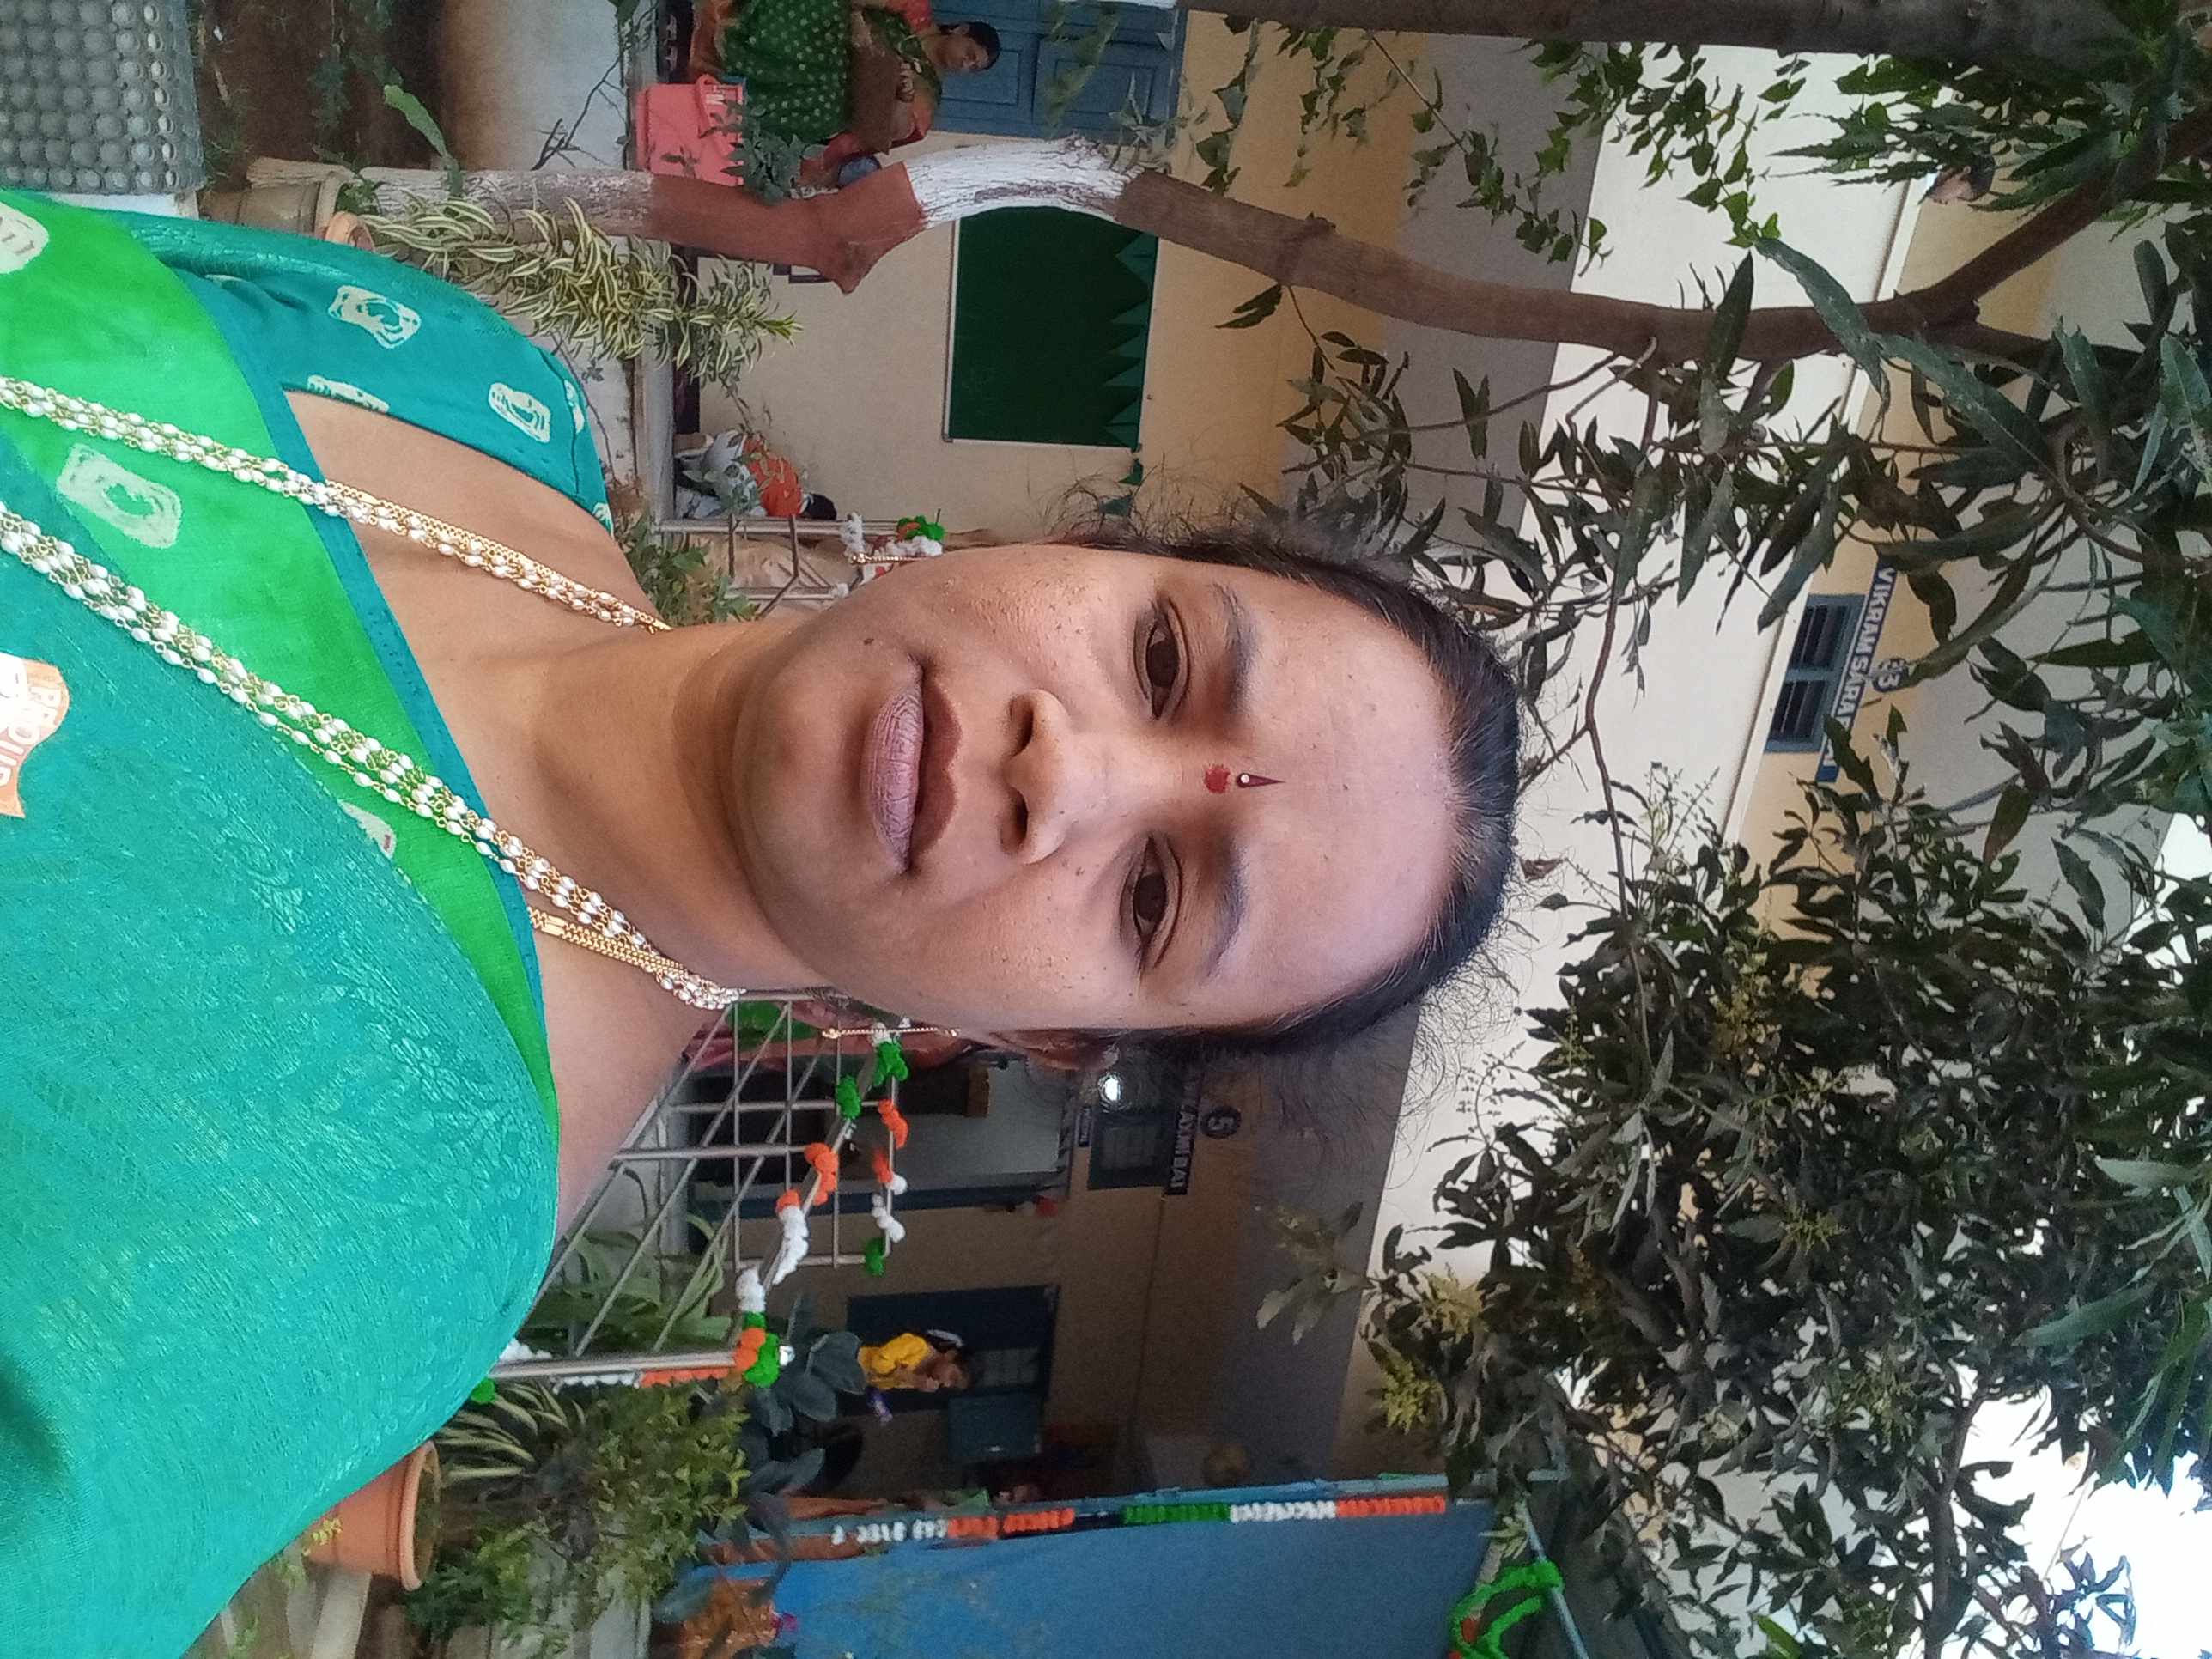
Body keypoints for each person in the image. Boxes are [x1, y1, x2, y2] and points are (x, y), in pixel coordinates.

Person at [0, 186, 1517, 1655]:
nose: (1064, 773)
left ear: (1044, 1039)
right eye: (1163, 657)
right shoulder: (465, 383)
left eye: (1152, 896)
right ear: (1076, 548)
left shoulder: (362, 1223)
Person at [690, 0, 1000, 185]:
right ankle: (710, 29)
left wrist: (904, 96)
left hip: (835, 95)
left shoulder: (928, 94)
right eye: (970, 54)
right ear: (961, 30)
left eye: (973, 68)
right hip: (840, 31)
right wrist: (857, 22)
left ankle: (705, 94)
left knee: (822, 109)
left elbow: (893, 130)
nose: (966, 64)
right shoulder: (917, 11)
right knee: (818, 11)